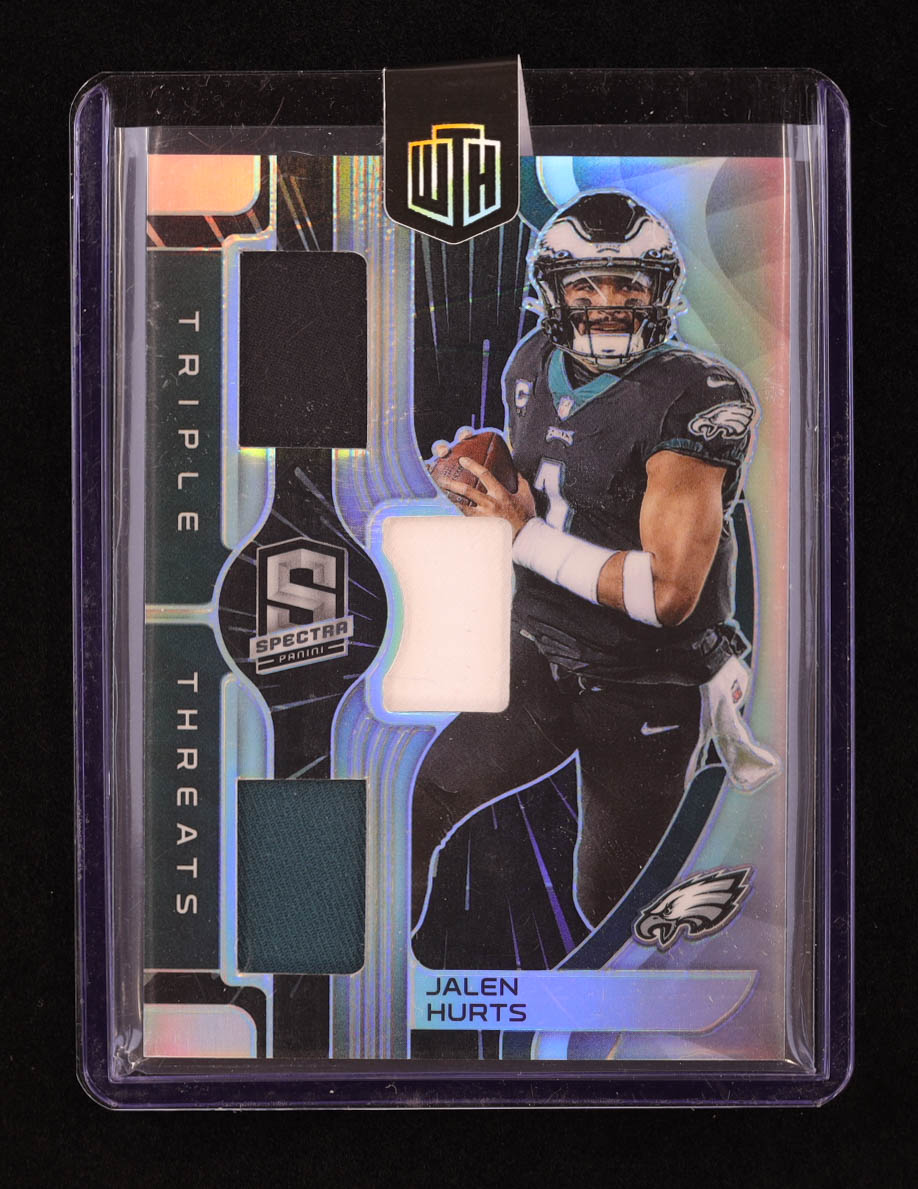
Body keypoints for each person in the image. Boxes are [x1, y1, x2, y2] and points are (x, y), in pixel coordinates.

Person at [415, 189, 778, 940]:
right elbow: (547, 488)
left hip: (646, 682)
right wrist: (481, 479)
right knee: (418, 805)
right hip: (541, 653)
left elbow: (667, 593)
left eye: (628, 285)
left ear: (660, 292)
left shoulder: (698, 395)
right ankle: (376, 982)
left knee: (612, 906)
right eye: (585, 285)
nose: (608, 304)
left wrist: (521, 536)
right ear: (552, 293)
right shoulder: (531, 360)